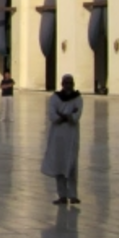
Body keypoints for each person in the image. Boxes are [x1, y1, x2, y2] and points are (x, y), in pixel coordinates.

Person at [41, 74, 82, 204]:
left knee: (71, 165)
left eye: (70, 83)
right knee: (59, 165)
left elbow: (77, 115)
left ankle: (73, 195)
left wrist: (63, 115)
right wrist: (67, 116)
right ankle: (62, 195)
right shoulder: (55, 98)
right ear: (62, 84)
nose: (68, 85)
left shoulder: (78, 98)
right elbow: (53, 115)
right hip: (57, 136)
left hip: (71, 136)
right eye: (66, 83)